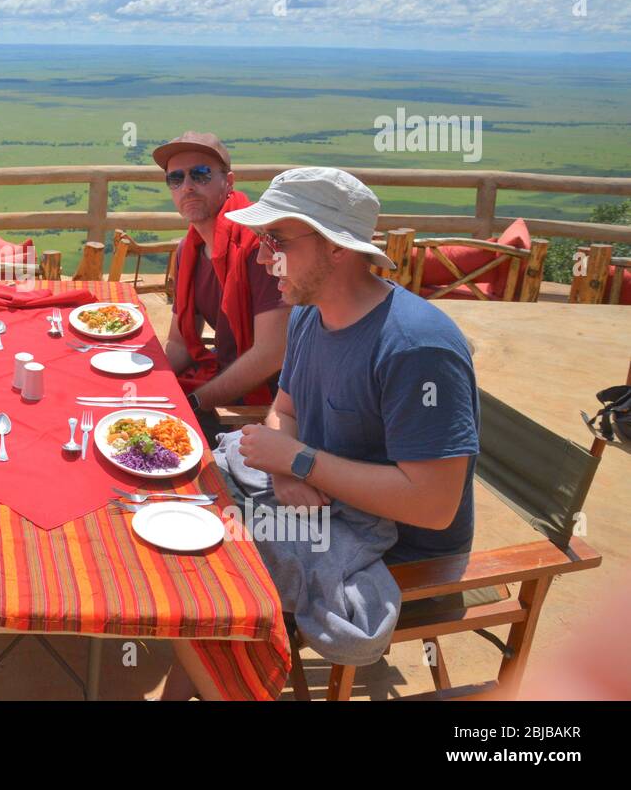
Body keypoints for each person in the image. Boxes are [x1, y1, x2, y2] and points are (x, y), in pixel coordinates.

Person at [157, 167, 480, 700]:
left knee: (210, 576)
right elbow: (284, 411)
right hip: (319, 505)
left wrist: (301, 461)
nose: (262, 257)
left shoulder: (417, 349)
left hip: (403, 551)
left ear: (336, 248)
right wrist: (286, 469)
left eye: (276, 240)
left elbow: (433, 506)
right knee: (178, 525)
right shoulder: (310, 314)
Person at [156, 131, 290, 446]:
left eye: (200, 174)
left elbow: (272, 354)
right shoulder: (188, 249)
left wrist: (194, 400)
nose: (187, 186)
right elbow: (178, 344)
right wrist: (153, 385)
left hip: (276, 400)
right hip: (223, 372)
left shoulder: (260, 246)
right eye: (175, 179)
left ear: (228, 182)